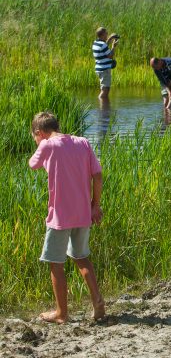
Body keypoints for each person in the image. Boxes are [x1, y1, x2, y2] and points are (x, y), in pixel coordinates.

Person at [28, 112, 105, 323]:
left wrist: (43, 146)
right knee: (81, 257)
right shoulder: (83, 142)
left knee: (56, 263)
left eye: (35, 136)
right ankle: (98, 301)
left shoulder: (46, 145)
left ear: (39, 133)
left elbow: (32, 164)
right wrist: (95, 205)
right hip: (83, 213)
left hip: (59, 216)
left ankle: (61, 313)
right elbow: (97, 175)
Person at [92, 27, 119, 100]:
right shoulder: (103, 45)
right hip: (104, 70)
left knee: (104, 89)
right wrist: (113, 46)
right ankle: (103, 107)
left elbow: (104, 46)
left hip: (100, 68)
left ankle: (103, 107)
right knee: (105, 90)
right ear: (103, 35)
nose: (107, 34)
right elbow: (110, 55)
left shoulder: (96, 43)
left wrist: (110, 39)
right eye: (106, 33)